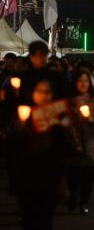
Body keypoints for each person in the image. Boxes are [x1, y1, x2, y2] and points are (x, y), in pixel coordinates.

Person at [6, 77, 76, 230]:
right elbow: (10, 148)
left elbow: (70, 149)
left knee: (45, 219)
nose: (44, 95)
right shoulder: (23, 115)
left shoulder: (58, 115)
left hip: (50, 177)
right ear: (33, 94)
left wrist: (62, 128)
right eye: (40, 91)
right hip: (27, 177)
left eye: (47, 92)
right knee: (28, 219)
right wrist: (21, 127)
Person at [68, 71, 94, 214]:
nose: (83, 84)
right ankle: (72, 197)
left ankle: (84, 201)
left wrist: (90, 119)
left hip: (90, 142)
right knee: (72, 176)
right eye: (80, 81)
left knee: (88, 177)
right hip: (73, 142)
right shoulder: (69, 101)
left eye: (86, 81)